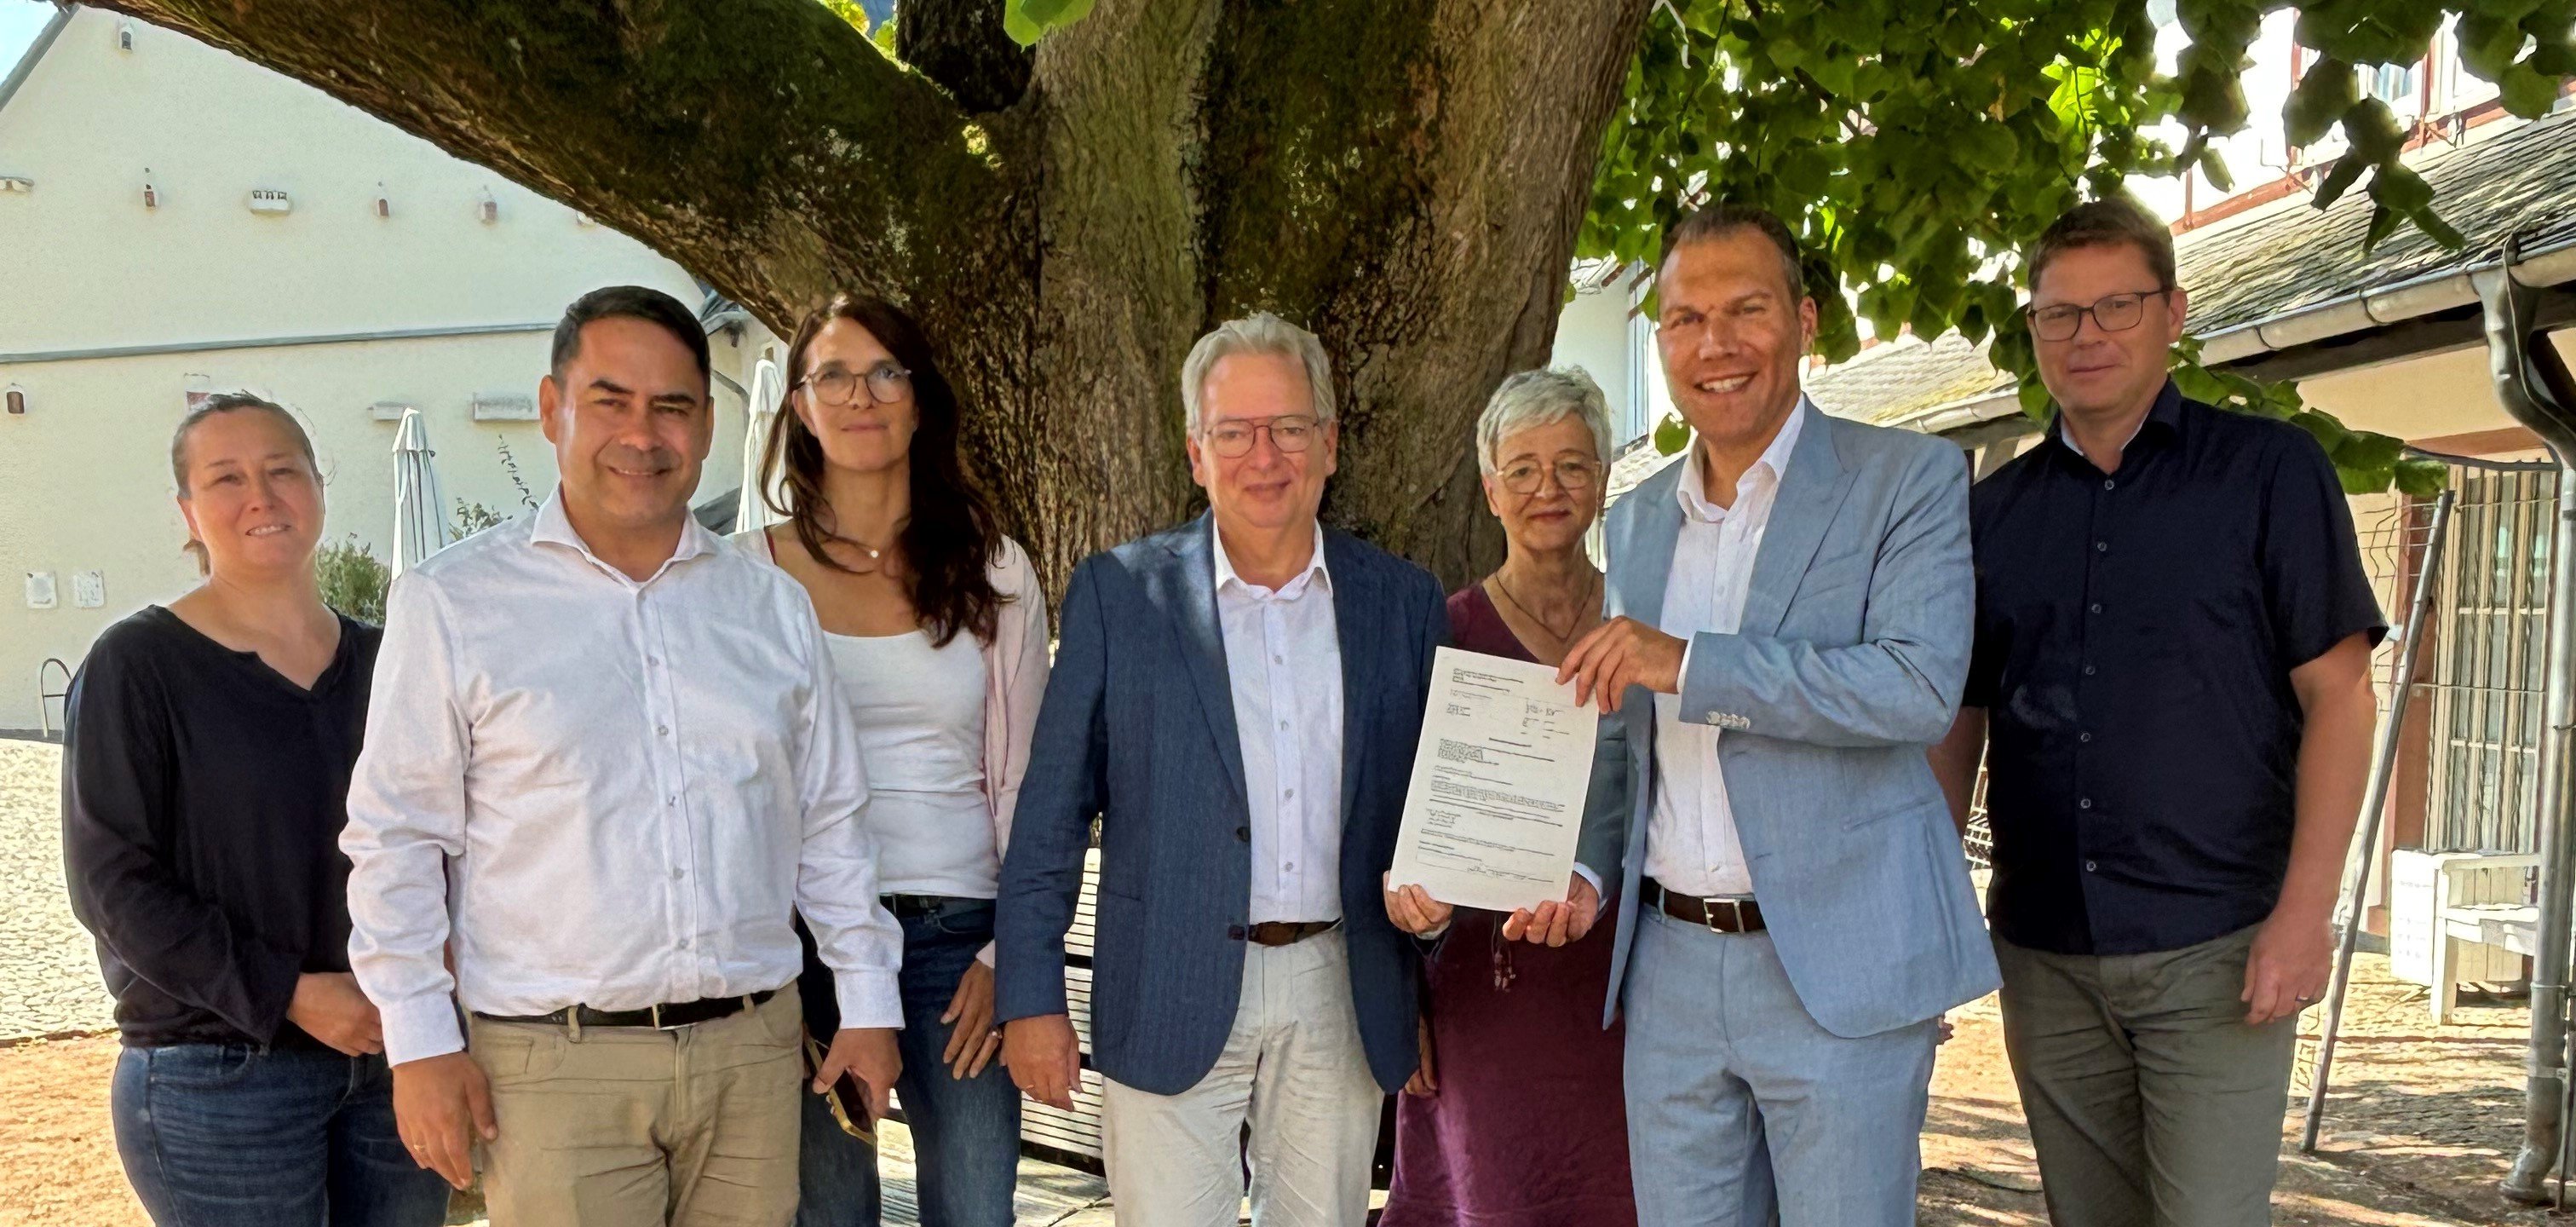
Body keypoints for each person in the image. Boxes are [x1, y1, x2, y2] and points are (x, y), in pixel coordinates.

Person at [340, 285, 906, 1227]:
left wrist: (869, 1002)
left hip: (753, 1057)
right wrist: (421, 1041)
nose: (643, 434)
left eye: (672, 407)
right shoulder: (453, 605)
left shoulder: (770, 608)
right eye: (611, 401)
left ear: (708, 425)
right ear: (551, 408)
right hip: (551, 1071)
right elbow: (395, 840)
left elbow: (831, 825)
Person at [1929, 196, 2383, 1226]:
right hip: (2046, 950)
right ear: (2033, 329)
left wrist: (2305, 916)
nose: (2086, 335)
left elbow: (2342, 698)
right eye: (2059, 313)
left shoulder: (2269, 475)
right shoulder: (1993, 514)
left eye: (2117, 306)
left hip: (2217, 946)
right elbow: (1958, 723)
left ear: (2172, 314)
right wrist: (1929, 909)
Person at [1544, 203, 2000, 1226]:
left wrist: (1693, 664)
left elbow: (1915, 687)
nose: (1715, 344)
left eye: (1745, 310)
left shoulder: (1908, 480)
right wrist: (1584, 868)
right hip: (1668, 967)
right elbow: (1627, 743)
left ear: (1804, 321)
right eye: (1685, 319)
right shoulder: (1638, 517)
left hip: (1841, 967)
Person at [994, 312, 1446, 1227]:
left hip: (1341, 985)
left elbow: (1429, 806)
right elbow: (1050, 814)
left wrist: (1432, 939)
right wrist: (1031, 997)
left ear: (1328, 443)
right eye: (1234, 432)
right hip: (1166, 979)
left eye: (1288, 428)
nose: (1263, 456)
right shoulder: (1121, 595)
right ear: (1197, 454)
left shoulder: (1402, 601)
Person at [61, 393, 452, 1227]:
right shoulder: (137, 666)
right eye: (227, 478)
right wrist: (289, 994)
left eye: (282, 471)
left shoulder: (390, 663)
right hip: (219, 1077)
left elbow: (448, 845)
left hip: (393, 1067)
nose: (261, 497)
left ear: (318, 485)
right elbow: (112, 887)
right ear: (188, 511)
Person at [736, 293, 1049, 1227]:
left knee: (976, 1214)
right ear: (800, 405)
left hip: (962, 946)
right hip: (805, 948)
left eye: (885, 373)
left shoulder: (997, 571)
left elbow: (1034, 785)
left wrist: (1009, 955)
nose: (861, 396)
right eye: (832, 375)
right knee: (827, 1215)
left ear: (920, 400)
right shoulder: (742, 577)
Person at [1379, 367, 1638, 1227]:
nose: (1547, 489)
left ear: (1603, 478)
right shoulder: (1444, 636)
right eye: (1522, 469)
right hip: (1483, 1005)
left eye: (1571, 465)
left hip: (1632, 998)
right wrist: (1402, 989)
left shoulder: (1648, 631)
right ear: (1490, 491)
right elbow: (1393, 830)